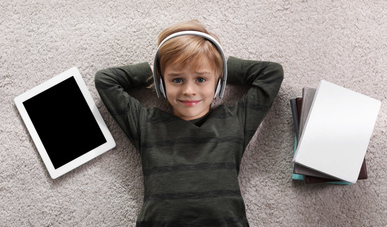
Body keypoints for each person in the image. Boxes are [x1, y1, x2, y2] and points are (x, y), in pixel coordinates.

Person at [95, 20, 284, 226]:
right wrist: (157, 69)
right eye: (177, 80)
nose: (189, 91)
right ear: (161, 83)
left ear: (218, 81)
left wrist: (216, 63)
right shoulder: (146, 124)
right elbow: (105, 80)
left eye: (201, 79)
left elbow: (271, 73)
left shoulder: (235, 119)